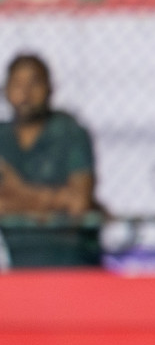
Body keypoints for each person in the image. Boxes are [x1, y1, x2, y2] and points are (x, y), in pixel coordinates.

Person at [0, 53, 101, 269]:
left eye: (34, 83)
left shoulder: (70, 133)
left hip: (72, 262)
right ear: (5, 90)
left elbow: (78, 204)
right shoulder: (3, 138)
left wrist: (17, 192)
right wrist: (55, 200)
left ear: (50, 88)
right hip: (18, 264)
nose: (25, 94)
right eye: (17, 84)